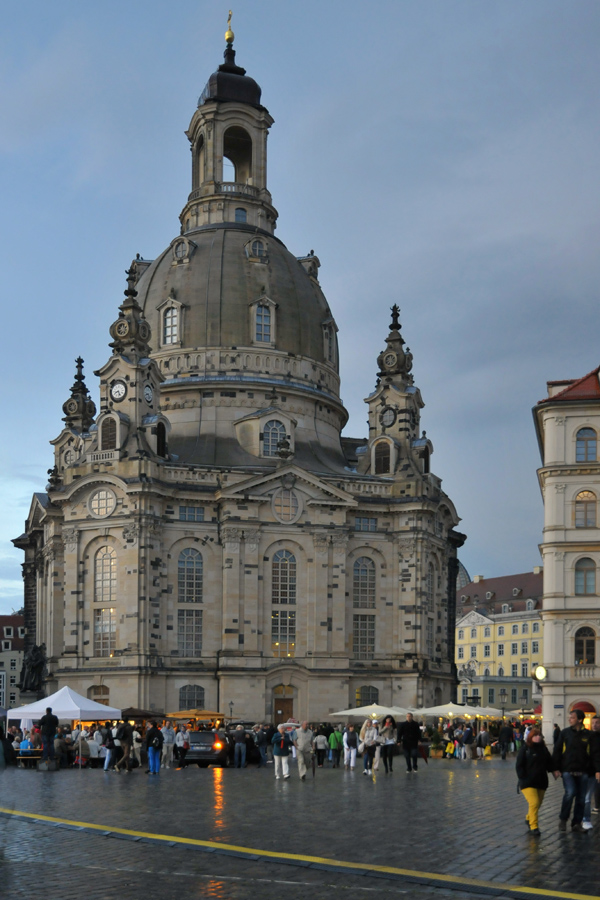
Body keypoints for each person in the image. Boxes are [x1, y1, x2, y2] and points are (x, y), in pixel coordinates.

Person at [552, 709, 598, 832]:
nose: (569, 719)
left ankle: (576, 823)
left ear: (579, 720)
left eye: (572, 717)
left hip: (583, 771)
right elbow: (557, 750)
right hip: (568, 770)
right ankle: (563, 819)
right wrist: (555, 768)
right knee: (570, 793)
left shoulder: (588, 735)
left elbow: (594, 754)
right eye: (569, 717)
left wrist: (597, 770)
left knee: (581, 798)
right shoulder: (565, 733)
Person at [516, 727, 556, 836]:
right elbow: (519, 766)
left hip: (541, 781)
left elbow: (549, 763)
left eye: (539, 735)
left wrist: (554, 770)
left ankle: (529, 818)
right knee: (534, 802)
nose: (537, 737)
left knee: (538, 804)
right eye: (535, 735)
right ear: (530, 737)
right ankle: (534, 826)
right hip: (528, 782)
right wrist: (523, 778)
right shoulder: (525, 749)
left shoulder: (543, 749)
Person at [583, 715, 600, 829]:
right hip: (592, 770)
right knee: (588, 795)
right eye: (593, 722)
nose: (594, 725)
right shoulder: (588, 737)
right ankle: (586, 818)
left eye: (597, 723)